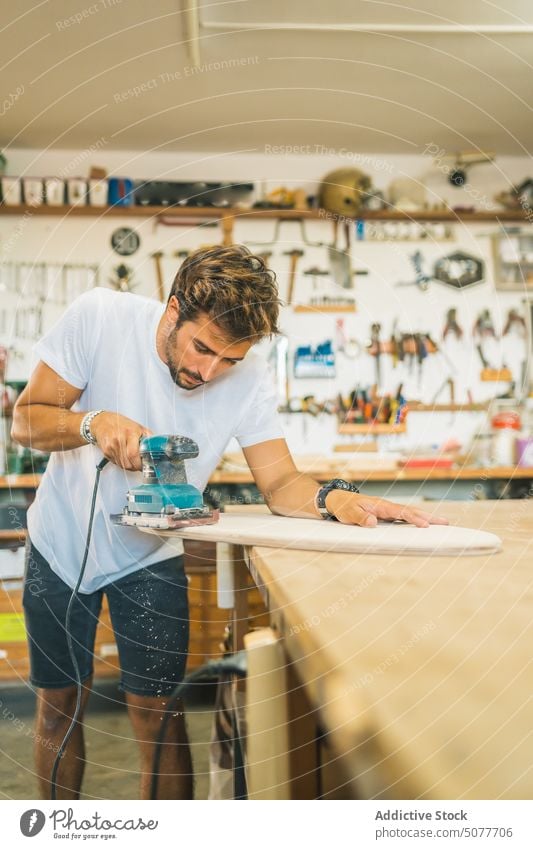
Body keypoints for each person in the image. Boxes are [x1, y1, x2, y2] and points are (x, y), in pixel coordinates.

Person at [11, 244, 447, 800]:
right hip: (61, 542)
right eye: (202, 348)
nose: (208, 372)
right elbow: (26, 420)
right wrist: (93, 422)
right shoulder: (101, 317)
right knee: (57, 710)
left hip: (152, 549)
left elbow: (281, 484)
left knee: (159, 716)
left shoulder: (250, 379)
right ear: (172, 311)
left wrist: (339, 501)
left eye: (229, 361)